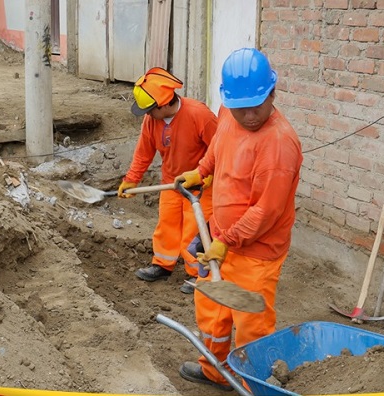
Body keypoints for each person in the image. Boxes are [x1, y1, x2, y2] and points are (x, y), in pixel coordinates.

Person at [175, 48, 303, 391]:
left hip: (257, 251)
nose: (247, 115)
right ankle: (216, 370)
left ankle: (251, 385)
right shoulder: (230, 115)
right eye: (239, 107)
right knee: (212, 307)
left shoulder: (278, 144)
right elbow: (217, 149)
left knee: (252, 323)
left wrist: (226, 241)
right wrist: (200, 172)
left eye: (256, 106)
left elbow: (266, 211)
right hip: (222, 238)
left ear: (272, 94)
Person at [119, 67, 218, 294]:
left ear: (163, 105)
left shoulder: (199, 115)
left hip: (200, 186)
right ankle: (162, 265)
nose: (146, 115)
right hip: (171, 182)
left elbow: (220, 148)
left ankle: (196, 276)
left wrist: (208, 175)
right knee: (167, 225)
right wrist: (131, 179)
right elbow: (143, 153)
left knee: (194, 232)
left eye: (149, 110)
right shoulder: (151, 122)